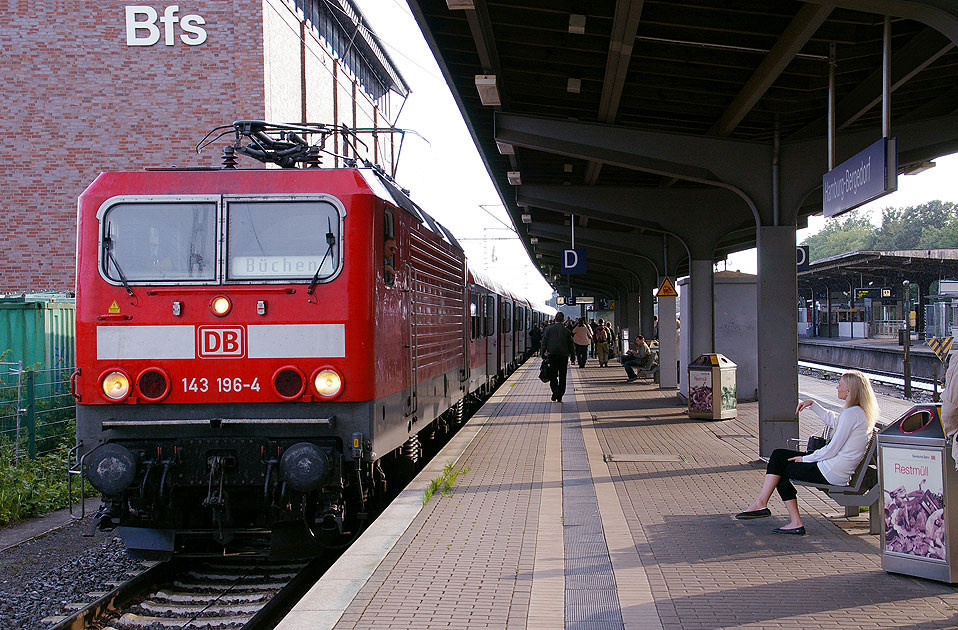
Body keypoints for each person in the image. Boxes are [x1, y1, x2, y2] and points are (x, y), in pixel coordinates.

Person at [736, 370, 879, 535]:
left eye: (840, 385)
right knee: (778, 456)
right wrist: (812, 404)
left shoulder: (851, 414)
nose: (837, 387)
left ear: (850, 391)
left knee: (780, 469)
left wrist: (806, 459)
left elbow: (833, 449)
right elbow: (834, 421)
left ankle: (783, 515)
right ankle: (764, 505)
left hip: (831, 472)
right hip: (835, 468)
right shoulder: (859, 412)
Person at [541, 312, 575, 402]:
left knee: (553, 375)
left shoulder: (548, 329)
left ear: (555, 319)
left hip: (552, 355)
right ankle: (560, 394)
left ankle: (555, 391)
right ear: (563, 320)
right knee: (563, 376)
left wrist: (542, 353)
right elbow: (571, 345)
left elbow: (544, 342)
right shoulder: (566, 331)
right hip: (563, 356)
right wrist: (573, 357)